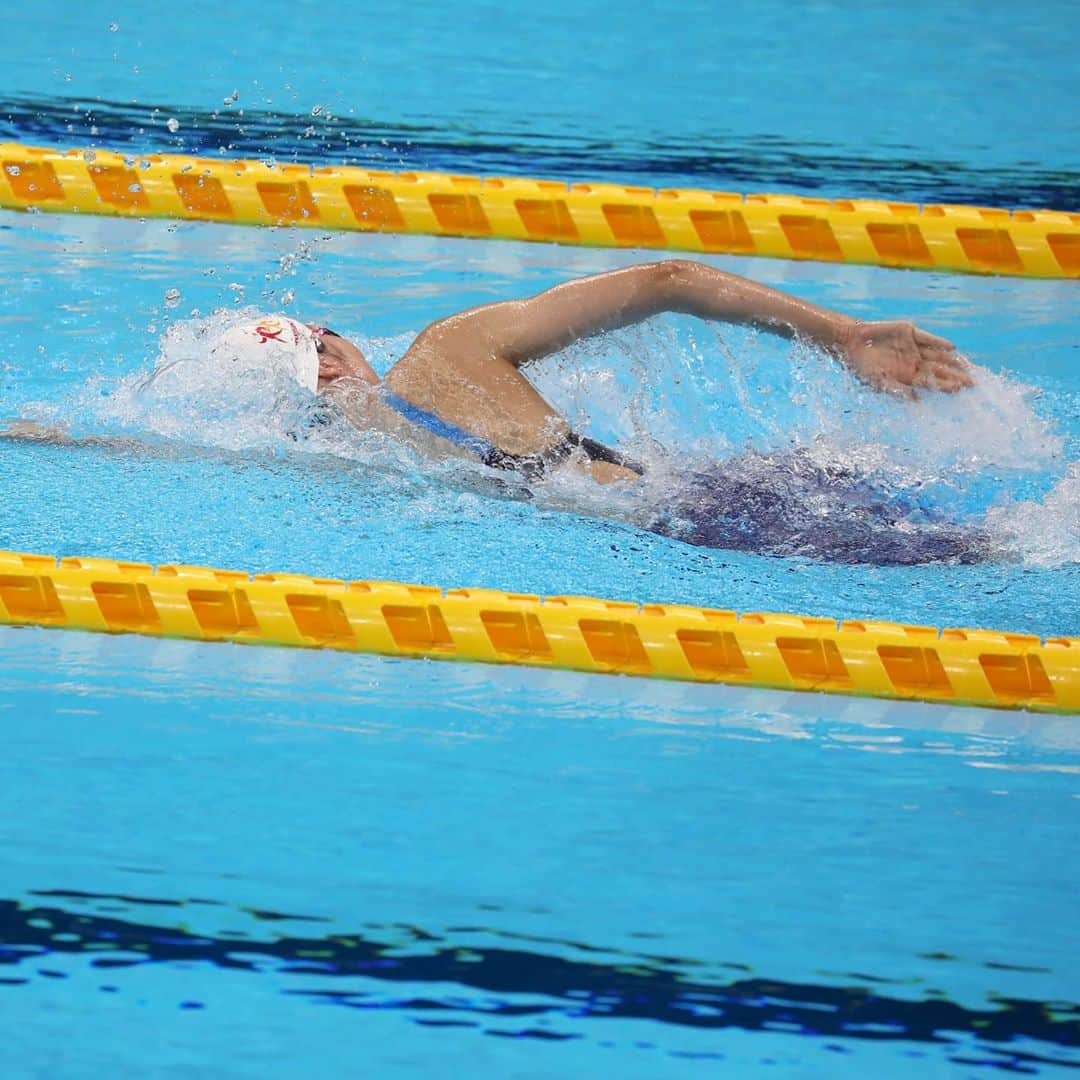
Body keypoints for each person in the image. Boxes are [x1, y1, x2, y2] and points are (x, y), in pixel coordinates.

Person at [4, 260, 983, 564]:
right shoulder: (443, 358)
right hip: (737, 505)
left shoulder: (311, 466)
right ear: (336, 352)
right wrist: (839, 335)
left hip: (699, 539)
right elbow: (667, 278)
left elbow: (131, 442)